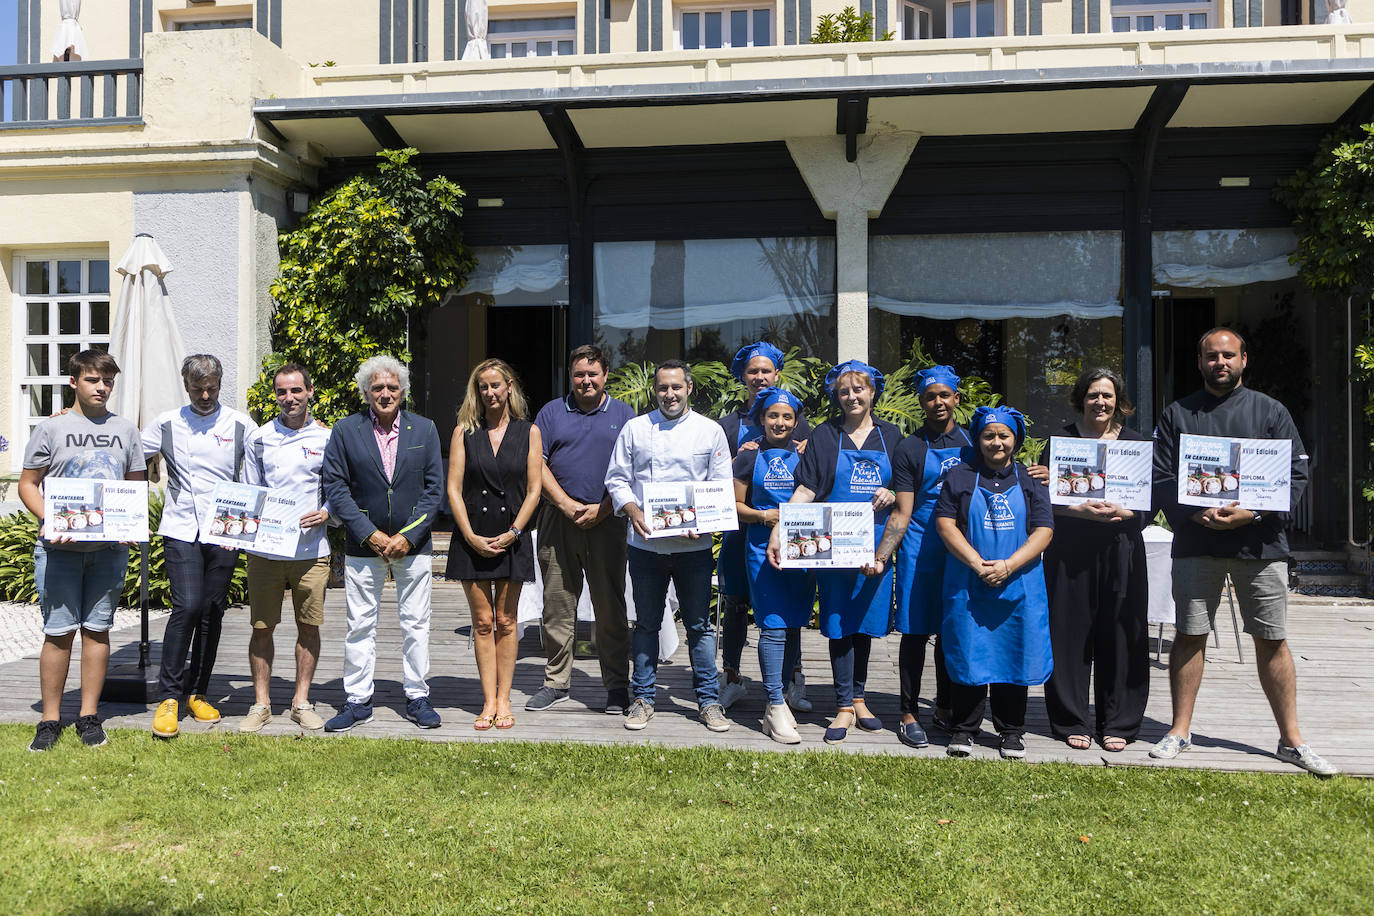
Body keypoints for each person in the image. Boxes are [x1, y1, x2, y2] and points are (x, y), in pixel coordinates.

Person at [1150, 328, 1337, 776]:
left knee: (1271, 639)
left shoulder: (1270, 412)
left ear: (1244, 360)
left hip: (1260, 545)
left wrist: (1250, 514)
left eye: (1228, 355)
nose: (1220, 362)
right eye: (1211, 356)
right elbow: (1159, 477)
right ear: (1199, 362)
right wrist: (1193, 515)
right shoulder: (1179, 414)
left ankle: (1291, 741)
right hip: (1197, 544)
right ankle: (1179, 730)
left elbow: (1295, 476)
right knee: (1190, 635)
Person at [19, 351, 146, 751]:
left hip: (108, 549)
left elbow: (135, 488)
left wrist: (131, 523)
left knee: (97, 629)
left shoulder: (126, 430)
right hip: (59, 549)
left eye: (108, 381)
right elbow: (27, 484)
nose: (102, 388)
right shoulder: (50, 429)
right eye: (93, 380)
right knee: (58, 633)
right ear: (74, 382)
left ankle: (89, 716)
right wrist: (50, 520)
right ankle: (50, 719)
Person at [772, 359, 899, 746]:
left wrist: (892, 493)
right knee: (840, 621)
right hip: (833, 545)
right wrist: (781, 526)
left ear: (872, 392)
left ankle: (860, 698)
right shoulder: (826, 436)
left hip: (876, 544)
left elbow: (906, 491)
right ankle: (844, 704)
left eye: (858, 389)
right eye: (844, 391)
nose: (851, 397)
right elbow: (808, 489)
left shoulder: (892, 436)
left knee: (864, 621)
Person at [605, 359, 734, 733]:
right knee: (645, 624)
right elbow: (616, 479)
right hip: (645, 544)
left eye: (676, 387)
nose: (669, 394)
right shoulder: (635, 429)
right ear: (654, 390)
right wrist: (632, 510)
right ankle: (643, 698)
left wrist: (704, 521)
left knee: (699, 625)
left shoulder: (709, 432)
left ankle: (708, 701)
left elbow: (720, 486)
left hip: (694, 548)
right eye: (663, 387)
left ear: (689, 388)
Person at [321, 355, 444, 732]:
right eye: (377, 388)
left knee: (416, 623)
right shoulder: (345, 430)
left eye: (392, 387)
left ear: (402, 391)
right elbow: (335, 487)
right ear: (365, 393)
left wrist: (408, 535)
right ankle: (357, 701)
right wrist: (368, 532)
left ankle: (417, 696)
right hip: (364, 545)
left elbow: (434, 490)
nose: (385, 393)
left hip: (413, 545)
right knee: (359, 624)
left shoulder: (424, 430)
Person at [142, 354, 254, 739]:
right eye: (197, 388)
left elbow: (270, 453)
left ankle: (198, 692)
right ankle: (169, 697)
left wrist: (313, 427)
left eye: (212, 388)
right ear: (185, 385)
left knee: (212, 610)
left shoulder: (240, 424)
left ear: (220, 384)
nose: (205, 395)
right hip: (181, 525)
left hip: (226, 529)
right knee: (187, 606)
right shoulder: (167, 422)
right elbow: (127, 453)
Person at [1040, 368, 1150, 752]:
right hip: (1070, 551)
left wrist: (1128, 513)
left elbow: (1148, 506)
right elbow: (1045, 502)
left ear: (1119, 401)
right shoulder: (1060, 444)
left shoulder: (1137, 444)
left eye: (1107, 396)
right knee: (1068, 635)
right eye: (1092, 395)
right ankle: (1071, 719)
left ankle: (1117, 721)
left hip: (1121, 551)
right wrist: (1078, 511)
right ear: (1080, 399)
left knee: (1121, 635)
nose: (1100, 402)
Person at [935, 406, 1053, 760]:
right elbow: (945, 525)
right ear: (978, 439)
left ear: (1015, 440)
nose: (996, 442)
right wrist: (977, 563)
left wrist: (1007, 565)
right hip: (969, 583)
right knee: (969, 652)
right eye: (989, 436)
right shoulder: (959, 477)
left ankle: (1011, 731)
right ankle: (964, 728)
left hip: (1019, 584)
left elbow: (1044, 530)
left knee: (1013, 653)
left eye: (1004, 435)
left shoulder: (1031, 480)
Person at [526, 345, 637, 715]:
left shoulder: (624, 414)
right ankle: (556, 682)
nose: (585, 381)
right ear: (570, 376)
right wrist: (566, 504)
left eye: (592, 374)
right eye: (579, 375)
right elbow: (537, 466)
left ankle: (617, 685)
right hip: (558, 521)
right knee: (557, 605)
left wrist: (604, 509)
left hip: (608, 522)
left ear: (606, 375)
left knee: (610, 606)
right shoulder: (551, 413)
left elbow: (631, 470)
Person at [867, 365, 972, 749]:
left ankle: (945, 706)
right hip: (920, 549)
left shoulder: (975, 442)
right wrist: (882, 556)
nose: (938, 402)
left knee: (953, 630)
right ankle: (909, 713)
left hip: (963, 549)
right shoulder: (911, 448)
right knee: (914, 632)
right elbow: (903, 511)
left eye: (945, 395)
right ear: (922, 402)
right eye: (931, 396)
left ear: (956, 398)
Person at [445, 359, 543, 730]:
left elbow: (534, 490)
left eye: (496, 385)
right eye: (483, 386)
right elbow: (453, 488)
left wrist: (516, 531)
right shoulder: (462, 433)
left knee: (506, 620)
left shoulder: (529, 432)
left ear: (509, 387)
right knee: (483, 622)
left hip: (512, 535)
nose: (490, 392)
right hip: (473, 535)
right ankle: (487, 701)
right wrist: (469, 535)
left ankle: (505, 700)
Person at [715, 342, 813, 712]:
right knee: (737, 603)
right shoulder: (727, 426)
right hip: (742, 530)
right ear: (743, 376)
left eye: (766, 371)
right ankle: (732, 677)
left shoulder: (800, 424)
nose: (759, 377)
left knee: (789, 604)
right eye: (752, 372)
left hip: (790, 530)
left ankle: (793, 681)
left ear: (776, 374)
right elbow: (714, 480)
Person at [239, 364, 334, 734]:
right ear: (275, 396)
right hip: (266, 552)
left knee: (308, 627)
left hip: (311, 550)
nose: (289, 398)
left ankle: (301, 702)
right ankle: (261, 703)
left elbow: (336, 491)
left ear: (310, 392)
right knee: (262, 627)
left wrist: (327, 512)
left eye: (296, 391)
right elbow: (249, 492)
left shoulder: (328, 438)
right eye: (282, 392)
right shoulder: (260, 438)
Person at [733, 387, 814, 744]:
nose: (779, 422)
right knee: (773, 625)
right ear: (761, 419)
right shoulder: (748, 457)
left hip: (801, 547)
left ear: (796, 422)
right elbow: (734, 505)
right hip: (761, 547)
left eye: (787, 417)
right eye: (772, 416)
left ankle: (786, 693)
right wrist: (765, 516)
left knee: (794, 621)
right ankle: (774, 704)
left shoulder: (807, 455)